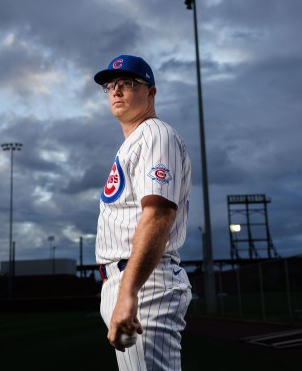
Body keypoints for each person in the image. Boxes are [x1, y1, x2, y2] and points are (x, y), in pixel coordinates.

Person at [94, 54, 193, 371]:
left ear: (151, 92)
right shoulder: (135, 142)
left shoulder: (155, 134)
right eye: (111, 85)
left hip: (145, 282)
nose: (116, 90)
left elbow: (158, 215)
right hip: (129, 280)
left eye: (128, 83)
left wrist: (129, 291)